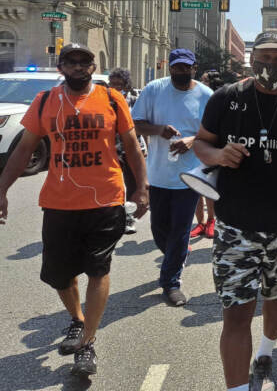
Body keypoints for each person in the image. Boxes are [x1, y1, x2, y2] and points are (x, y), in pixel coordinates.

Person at [193, 29, 277, 391]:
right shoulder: (227, 98)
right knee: (236, 314)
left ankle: (266, 352)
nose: (271, 65)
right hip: (236, 226)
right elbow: (202, 144)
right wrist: (219, 155)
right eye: (265, 58)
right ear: (253, 60)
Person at [0, 44, 148, 376]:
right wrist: (2, 190)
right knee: (59, 274)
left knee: (98, 269)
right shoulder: (44, 102)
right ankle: (78, 319)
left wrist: (142, 188)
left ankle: (87, 344)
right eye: (72, 61)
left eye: (86, 62)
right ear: (61, 66)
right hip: (59, 201)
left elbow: (132, 146)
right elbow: (24, 150)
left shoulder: (112, 98)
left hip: (105, 199)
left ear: (94, 66)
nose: (79, 67)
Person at [132, 49, 213, 307]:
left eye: (186, 68)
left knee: (180, 230)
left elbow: (216, 133)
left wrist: (192, 140)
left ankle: (170, 282)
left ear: (194, 67)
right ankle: (175, 257)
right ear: (170, 68)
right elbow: (136, 124)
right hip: (158, 174)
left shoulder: (206, 95)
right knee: (159, 229)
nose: (181, 72)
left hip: (189, 176)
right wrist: (159, 130)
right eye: (177, 67)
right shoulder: (154, 89)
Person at [108, 67, 146, 235]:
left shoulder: (134, 99)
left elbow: (141, 125)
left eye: (120, 84)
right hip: (111, 149)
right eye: (113, 83)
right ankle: (112, 218)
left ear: (126, 84)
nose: (116, 87)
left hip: (132, 147)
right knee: (113, 185)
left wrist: (146, 149)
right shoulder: (105, 100)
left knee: (132, 185)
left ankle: (130, 219)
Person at [190, 70, 225, 239]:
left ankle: (212, 220)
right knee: (196, 187)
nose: (200, 82)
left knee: (208, 187)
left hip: (211, 147)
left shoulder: (218, 98)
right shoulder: (195, 96)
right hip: (194, 145)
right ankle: (200, 222)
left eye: (204, 80)